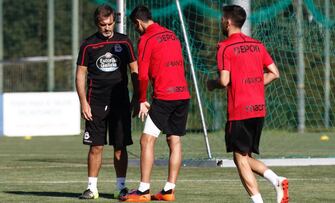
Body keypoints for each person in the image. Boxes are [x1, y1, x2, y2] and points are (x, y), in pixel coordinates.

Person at [207, 5, 288, 203]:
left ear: (227, 21)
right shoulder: (257, 45)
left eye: (222, 19)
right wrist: (254, 83)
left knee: (240, 158)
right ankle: (276, 180)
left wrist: (211, 83)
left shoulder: (224, 47)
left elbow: (224, 81)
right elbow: (274, 73)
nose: (221, 22)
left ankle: (273, 184)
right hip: (258, 108)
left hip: (240, 109)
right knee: (243, 156)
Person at [121, 5, 191, 202]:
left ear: (139, 23)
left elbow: (142, 75)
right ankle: (169, 190)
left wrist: (141, 99)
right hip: (183, 94)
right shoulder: (171, 35)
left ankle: (143, 190)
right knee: (174, 141)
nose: (137, 30)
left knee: (146, 140)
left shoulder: (147, 39)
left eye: (136, 27)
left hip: (165, 97)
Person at [76, 4, 139, 200]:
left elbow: (135, 71)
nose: (108, 28)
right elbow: (80, 75)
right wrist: (83, 102)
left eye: (111, 24)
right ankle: (91, 188)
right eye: (104, 25)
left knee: (120, 146)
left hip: (120, 102)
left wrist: (138, 97)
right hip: (95, 102)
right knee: (96, 146)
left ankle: (121, 187)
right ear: (97, 23)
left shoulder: (125, 42)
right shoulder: (88, 45)